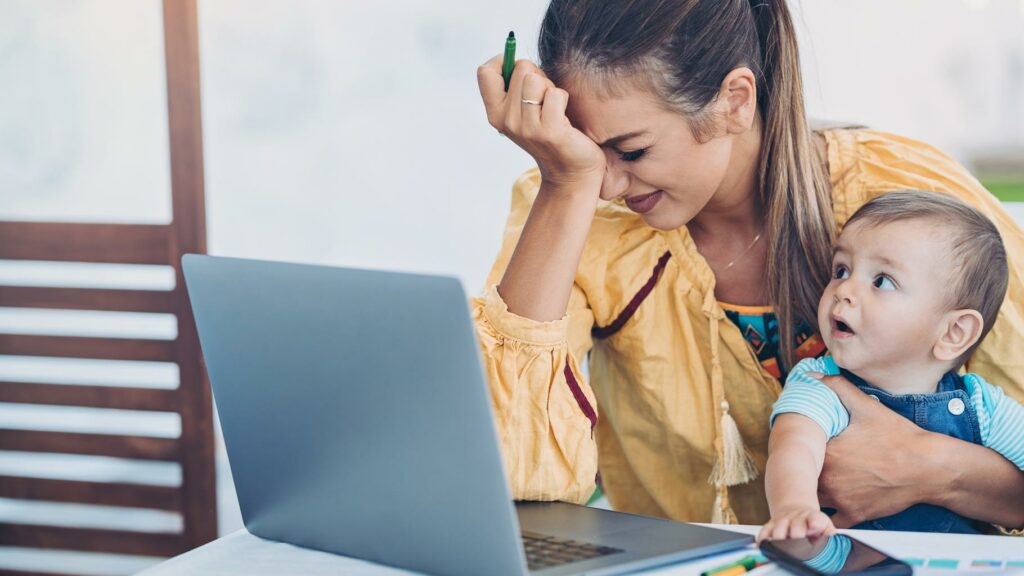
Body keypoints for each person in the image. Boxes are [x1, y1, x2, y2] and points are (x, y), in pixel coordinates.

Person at [473, 0, 1024, 533]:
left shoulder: (909, 198)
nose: (609, 185)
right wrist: (566, 183)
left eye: (633, 151)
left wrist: (930, 470)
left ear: (735, 100)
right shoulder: (574, 205)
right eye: (587, 151)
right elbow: (505, 481)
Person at [759, 192, 1024, 541]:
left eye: (881, 280)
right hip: (852, 562)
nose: (844, 290)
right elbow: (794, 447)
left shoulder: (981, 405)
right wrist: (795, 507)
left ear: (953, 332)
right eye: (841, 270)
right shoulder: (820, 385)